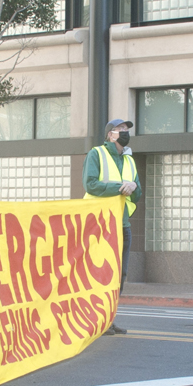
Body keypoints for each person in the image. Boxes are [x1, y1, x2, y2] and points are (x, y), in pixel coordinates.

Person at [85, 117, 140, 335]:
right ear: (110, 135)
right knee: (99, 272)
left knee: (120, 274)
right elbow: (90, 184)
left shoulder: (130, 160)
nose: (124, 132)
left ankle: (109, 318)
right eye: (120, 129)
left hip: (122, 222)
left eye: (126, 129)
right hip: (99, 224)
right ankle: (95, 320)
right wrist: (120, 187)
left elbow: (138, 195)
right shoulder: (96, 154)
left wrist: (133, 186)